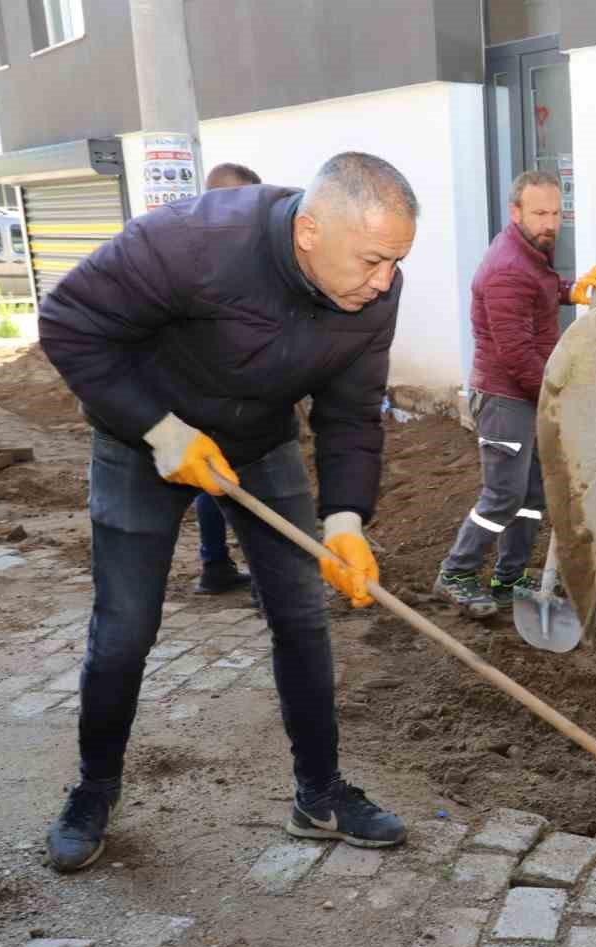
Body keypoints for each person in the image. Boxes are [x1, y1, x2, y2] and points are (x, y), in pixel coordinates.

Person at [38, 152, 416, 872]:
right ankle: (94, 789)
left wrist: (343, 522)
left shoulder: (373, 290)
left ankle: (320, 794)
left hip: (259, 443)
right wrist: (159, 429)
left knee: (302, 618)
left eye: (396, 262)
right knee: (124, 629)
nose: (385, 282)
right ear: (309, 231)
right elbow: (67, 323)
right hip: (142, 436)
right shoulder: (190, 243)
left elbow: (351, 414)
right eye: (372, 260)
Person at [434, 170, 596, 617]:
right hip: (505, 398)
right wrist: (555, 398)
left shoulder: (531, 253)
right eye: (539, 213)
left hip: (527, 393)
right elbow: (516, 354)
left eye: (556, 213)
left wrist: (572, 290)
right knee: (503, 495)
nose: (551, 222)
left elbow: (540, 292)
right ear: (516, 212)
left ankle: (509, 576)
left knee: (531, 495)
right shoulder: (508, 268)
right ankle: (456, 572)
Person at [188, 162, 265, 595]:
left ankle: (215, 566)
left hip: (205, 388)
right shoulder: (231, 252)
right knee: (247, 481)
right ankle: (265, 587)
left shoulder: (194, 242)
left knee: (212, 478)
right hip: (228, 391)